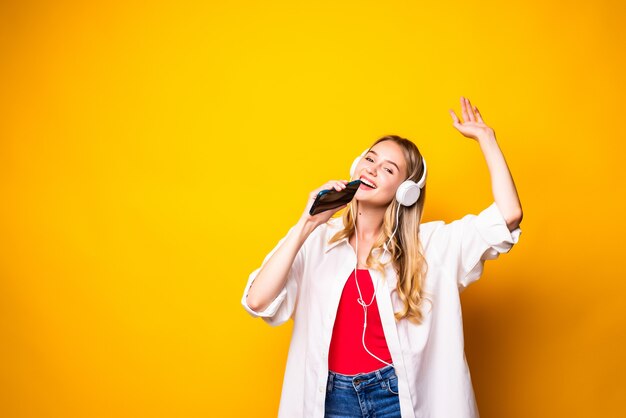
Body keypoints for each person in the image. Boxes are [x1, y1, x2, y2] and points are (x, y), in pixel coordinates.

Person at [241, 96, 523, 418]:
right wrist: (307, 223)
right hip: (331, 399)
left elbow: (509, 215)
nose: (371, 170)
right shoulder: (317, 239)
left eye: (388, 169)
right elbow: (258, 301)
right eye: (370, 160)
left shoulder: (431, 245)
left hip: (396, 397)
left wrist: (486, 138)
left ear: (407, 190)